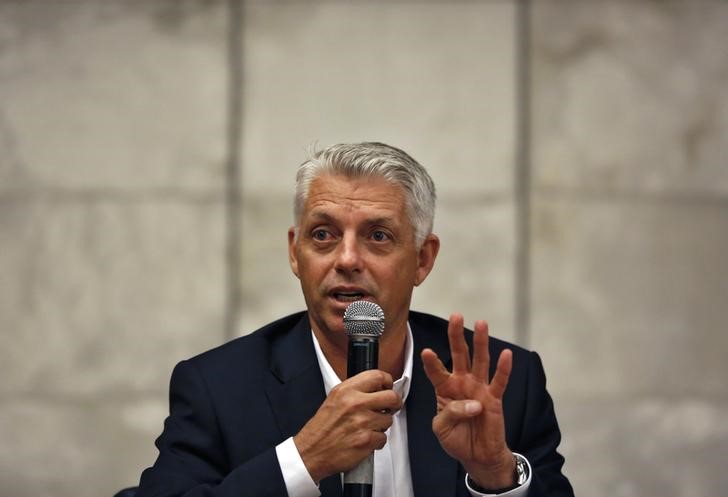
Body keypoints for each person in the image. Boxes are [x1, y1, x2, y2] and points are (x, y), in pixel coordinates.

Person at [135, 142, 573, 497]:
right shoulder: (219, 387)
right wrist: (303, 460)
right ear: (295, 252)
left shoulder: (503, 386)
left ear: (423, 259)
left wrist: (496, 473)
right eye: (323, 235)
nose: (346, 259)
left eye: (378, 236)